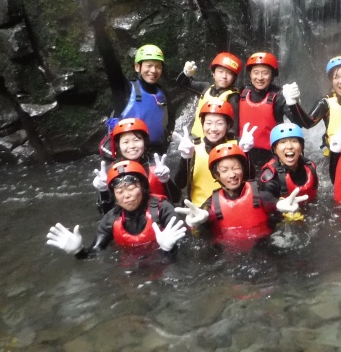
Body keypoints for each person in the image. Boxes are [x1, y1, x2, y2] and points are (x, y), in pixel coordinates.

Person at [174, 143, 306, 248]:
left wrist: (280, 205)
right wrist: (199, 222)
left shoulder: (260, 195)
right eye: (224, 170)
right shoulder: (212, 204)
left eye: (236, 168)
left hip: (264, 246)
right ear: (216, 175)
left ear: (243, 170)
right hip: (227, 252)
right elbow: (205, 215)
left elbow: (272, 202)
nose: (232, 175)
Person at [46, 160, 186, 257]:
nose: (127, 196)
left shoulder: (163, 209)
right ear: (114, 196)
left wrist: (168, 249)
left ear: (143, 188)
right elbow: (95, 253)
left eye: (131, 188)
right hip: (130, 268)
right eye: (119, 192)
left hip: (163, 264)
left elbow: (183, 248)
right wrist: (78, 251)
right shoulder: (110, 219)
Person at [98, 43, 174, 154]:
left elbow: (170, 123)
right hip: (128, 155)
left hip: (155, 155)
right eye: (149, 65)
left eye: (158, 66)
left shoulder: (163, 94)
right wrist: (101, 33)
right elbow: (111, 65)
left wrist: (164, 147)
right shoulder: (125, 90)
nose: (153, 70)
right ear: (137, 67)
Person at [92, 117, 175, 214]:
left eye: (136, 140)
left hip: (158, 217)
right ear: (119, 145)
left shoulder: (157, 164)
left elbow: (175, 199)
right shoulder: (112, 170)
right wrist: (103, 191)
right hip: (128, 223)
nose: (131, 146)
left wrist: (166, 180)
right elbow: (104, 212)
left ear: (145, 142)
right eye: (125, 142)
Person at [237, 52, 304, 172]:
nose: (260, 78)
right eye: (256, 72)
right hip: (245, 152)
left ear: (272, 75)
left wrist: (294, 103)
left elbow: (298, 123)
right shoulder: (243, 92)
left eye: (265, 73)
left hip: (271, 155)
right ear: (250, 74)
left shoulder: (279, 95)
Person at [172, 99, 237, 206]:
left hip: (230, 207)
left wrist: (247, 153)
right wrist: (185, 158)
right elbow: (180, 184)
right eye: (208, 123)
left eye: (219, 123)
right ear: (202, 125)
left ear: (228, 125)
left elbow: (249, 179)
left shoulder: (237, 145)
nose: (213, 128)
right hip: (199, 209)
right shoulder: (192, 147)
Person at [176, 52, 242, 140]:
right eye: (220, 71)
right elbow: (182, 83)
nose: (224, 76)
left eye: (229, 73)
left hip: (217, 141)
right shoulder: (206, 87)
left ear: (234, 78)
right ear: (213, 73)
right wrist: (185, 74)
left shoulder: (233, 97)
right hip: (197, 139)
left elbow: (233, 128)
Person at [257, 123, 319, 215]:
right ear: (274, 149)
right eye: (283, 142)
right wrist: (277, 204)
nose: (289, 146)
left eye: (294, 141)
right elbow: (263, 198)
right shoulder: (270, 177)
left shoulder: (310, 167)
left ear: (301, 146)